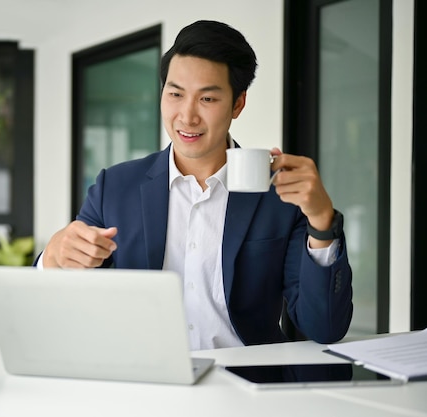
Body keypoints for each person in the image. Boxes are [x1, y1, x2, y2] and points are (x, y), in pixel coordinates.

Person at [36, 20, 352, 350]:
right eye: (175, 94)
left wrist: (321, 222)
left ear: (237, 104)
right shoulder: (114, 187)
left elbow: (325, 328)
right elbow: (62, 305)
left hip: (247, 388)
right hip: (143, 381)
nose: (187, 116)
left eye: (208, 99)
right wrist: (55, 255)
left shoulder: (280, 195)